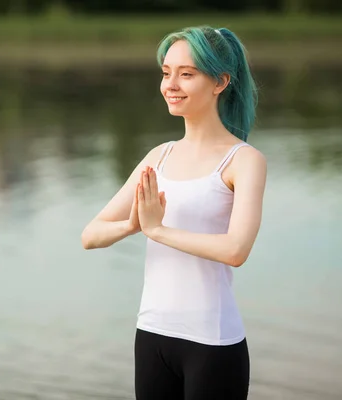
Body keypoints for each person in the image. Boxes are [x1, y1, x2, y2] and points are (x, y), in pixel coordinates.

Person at [81, 25, 267, 400]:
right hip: (152, 336)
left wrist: (158, 231)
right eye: (166, 73)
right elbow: (90, 235)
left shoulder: (244, 161)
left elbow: (236, 251)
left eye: (187, 74)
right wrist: (133, 225)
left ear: (220, 82)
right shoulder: (160, 156)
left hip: (212, 343)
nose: (171, 84)